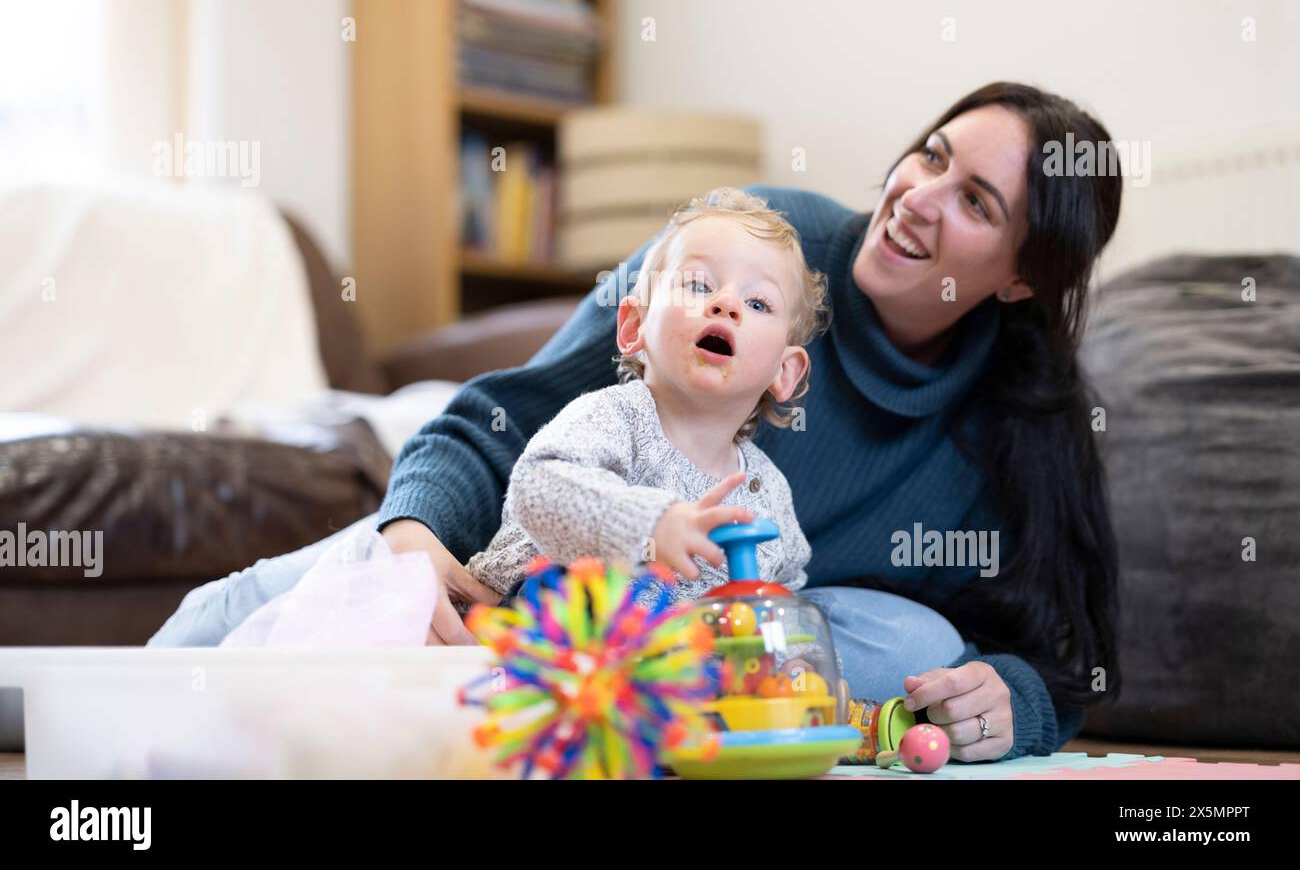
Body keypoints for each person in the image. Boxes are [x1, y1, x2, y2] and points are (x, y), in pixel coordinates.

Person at [150, 82, 1124, 764]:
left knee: (917, 641)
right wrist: (411, 536)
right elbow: (510, 420)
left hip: (706, 639)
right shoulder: (753, 248)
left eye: (974, 202)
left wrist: (1017, 702)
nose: (917, 199)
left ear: (1022, 276)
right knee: (273, 615)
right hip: (537, 571)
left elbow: (1062, 654)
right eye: (931, 155)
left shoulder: (1017, 427)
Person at [463, 187, 828, 608]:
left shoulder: (769, 492)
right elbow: (536, 487)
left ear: (784, 372)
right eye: (698, 284)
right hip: (530, 630)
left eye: (759, 303)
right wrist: (650, 525)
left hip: (661, 663)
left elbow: (784, 589)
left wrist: (793, 657)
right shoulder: (615, 417)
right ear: (635, 326)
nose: (727, 304)